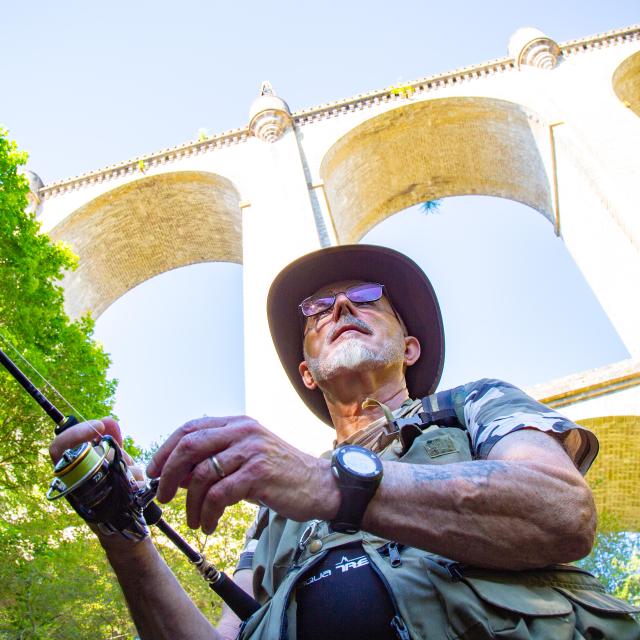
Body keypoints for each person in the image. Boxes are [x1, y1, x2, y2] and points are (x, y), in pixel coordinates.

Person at [49, 244, 639, 639]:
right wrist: (122, 534)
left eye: (364, 298)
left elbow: (562, 511)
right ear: (308, 372)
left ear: (410, 347)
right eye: (315, 311)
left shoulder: (474, 403)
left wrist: (327, 482)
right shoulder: (273, 510)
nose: (337, 307)